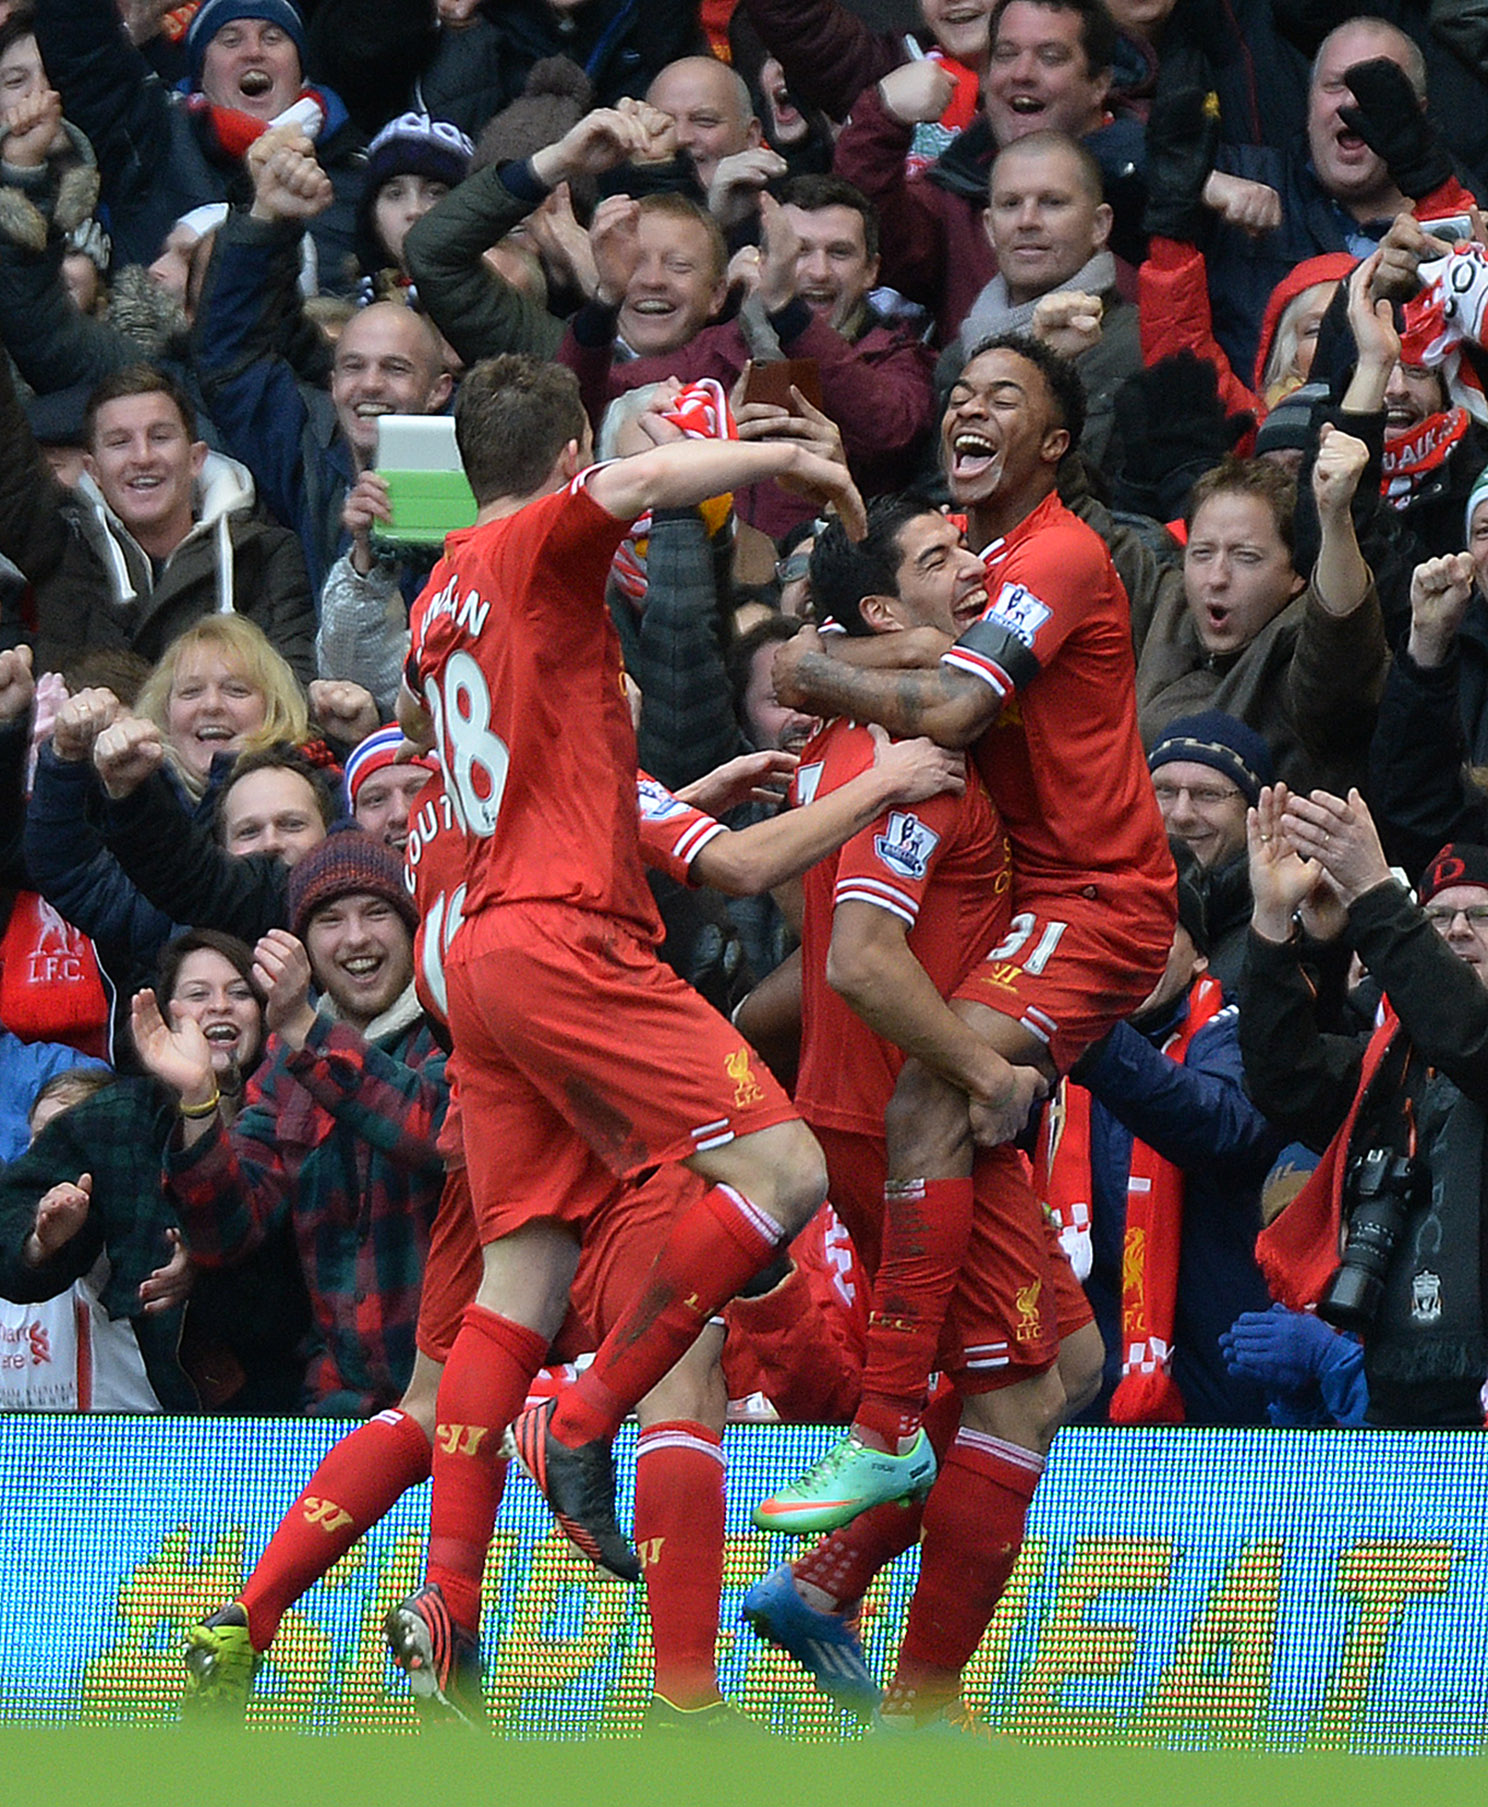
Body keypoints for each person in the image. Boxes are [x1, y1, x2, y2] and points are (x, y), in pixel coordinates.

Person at [381, 350, 866, 1697]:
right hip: (560, 934)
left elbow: (551, 761)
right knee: (786, 1168)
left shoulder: (439, 595)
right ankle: (581, 1419)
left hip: (477, 956)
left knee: (518, 1280)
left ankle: (451, 1598)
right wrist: (788, 460)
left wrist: (680, 780)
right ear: (559, 462)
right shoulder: (535, 539)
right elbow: (648, 480)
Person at [770, 333, 1173, 1519]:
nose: (968, 407)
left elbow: (949, 694)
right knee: (1056, 1374)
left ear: (1054, 444)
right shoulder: (990, 568)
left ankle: (884, 1425)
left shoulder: (1060, 553)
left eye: (1004, 396)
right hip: (1024, 913)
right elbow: (929, 645)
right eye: (959, 392)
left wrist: (816, 673)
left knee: (936, 1093)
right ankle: (842, 1600)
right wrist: (837, 651)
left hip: (1092, 896)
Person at [746, 495, 1078, 1731]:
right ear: (883, 609)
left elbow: (803, 936)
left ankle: (820, 1583)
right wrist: (984, 1076)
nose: (977, 566)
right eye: (942, 559)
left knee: (1075, 1360)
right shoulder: (919, 772)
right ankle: (921, 1711)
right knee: (1019, 1402)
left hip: (870, 1106)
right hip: (915, 1122)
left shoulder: (848, 735)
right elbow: (860, 963)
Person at [141, 829, 447, 1416]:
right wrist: (199, 1103)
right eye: (330, 919)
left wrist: (306, 1030)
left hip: (471, 1396)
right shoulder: (284, 1066)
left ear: (412, 928)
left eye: (377, 913)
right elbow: (225, 1233)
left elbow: (435, 1133)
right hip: (341, 1402)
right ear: (304, 944)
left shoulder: (456, 1027)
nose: (356, 937)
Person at [1242, 790, 1488, 1427]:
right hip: (1396, 1385)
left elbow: (1466, 1034)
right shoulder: (1391, 1056)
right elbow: (1284, 1081)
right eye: (1437, 919)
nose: (1458, 930)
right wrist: (1275, 924)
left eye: (1482, 915)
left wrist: (1376, 892)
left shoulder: (1466, 1041)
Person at [0, 928, 301, 1412]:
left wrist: (204, 1274)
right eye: (197, 995)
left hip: (290, 1408)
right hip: (151, 1430)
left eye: (240, 992)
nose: (220, 1006)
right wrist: (42, 1242)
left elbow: (305, 1265)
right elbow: (13, 1209)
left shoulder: (301, 1103)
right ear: (161, 1017)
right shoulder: (118, 1116)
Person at [0, 359, 315, 683]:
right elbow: (8, 458)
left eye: (160, 437)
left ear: (196, 458)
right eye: (120, 442)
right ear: (92, 471)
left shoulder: (268, 554)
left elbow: (294, 692)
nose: (143, 457)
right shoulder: (58, 544)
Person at [34, 0, 367, 286]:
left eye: (273, 37)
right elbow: (83, 53)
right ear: (200, 74)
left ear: (300, 69)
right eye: (230, 39)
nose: (253, 52)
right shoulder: (156, 139)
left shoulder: (359, 169)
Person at [1134, 442, 1389, 795]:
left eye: (1247, 557)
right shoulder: (1168, 607)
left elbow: (1341, 625)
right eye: (1202, 553)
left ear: (1297, 574)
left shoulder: (1305, 665)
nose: (1217, 577)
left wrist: (1335, 518)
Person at [1147, 710, 1273, 989]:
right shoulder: (1101, 902)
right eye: (1165, 790)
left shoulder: (1280, 928)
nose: (1181, 814)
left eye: (1208, 794)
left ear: (1253, 813)